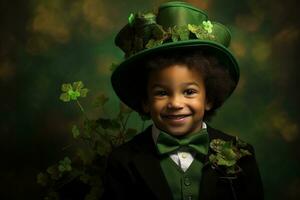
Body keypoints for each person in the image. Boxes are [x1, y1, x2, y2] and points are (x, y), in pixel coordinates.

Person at [102, 1, 264, 200]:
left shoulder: (240, 154)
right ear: (145, 100)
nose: (176, 103)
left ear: (209, 98)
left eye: (189, 92)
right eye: (162, 93)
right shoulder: (124, 160)